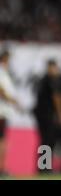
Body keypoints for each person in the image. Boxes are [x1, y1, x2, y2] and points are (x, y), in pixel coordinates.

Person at [33, 59, 61, 174]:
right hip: (47, 115)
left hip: (41, 115)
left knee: (44, 141)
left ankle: (42, 167)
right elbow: (57, 98)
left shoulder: (42, 80)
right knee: (48, 141)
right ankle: (45, 167)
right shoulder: (52, 81)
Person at [0, 49, 22, 177]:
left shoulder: (4, 72)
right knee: (2, 141)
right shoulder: (1, 71)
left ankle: (2, 168)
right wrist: (14, 101)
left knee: (3, 140)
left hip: (4, 112)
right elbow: (1, 91)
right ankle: (1, 168)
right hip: (1, 111)